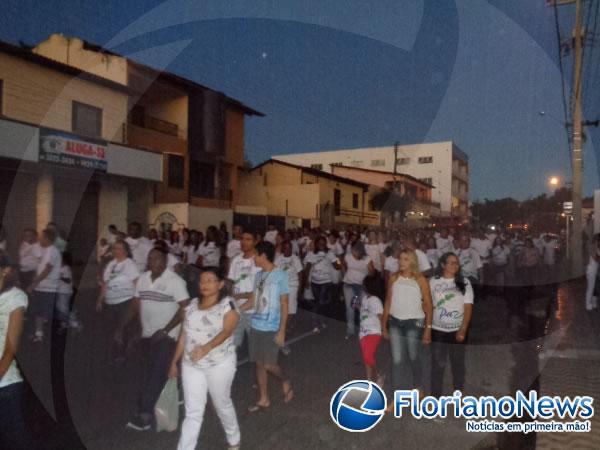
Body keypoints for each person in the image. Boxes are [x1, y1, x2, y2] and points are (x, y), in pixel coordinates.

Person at [169, 269, 241, 450]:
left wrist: (206, 348)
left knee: (221, 403)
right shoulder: (192, 305)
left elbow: (227, 331)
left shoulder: (228, 304)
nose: (205, 284)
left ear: (220, 284)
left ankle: (234, 438)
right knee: (193, 411)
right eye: (202, 281)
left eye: (210, 280)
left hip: (219, 364)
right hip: (191, 365)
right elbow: (184, 335)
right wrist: (174, 362)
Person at [125, 248, 190, 431]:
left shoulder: (175, 281)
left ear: (165, 261)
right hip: (147, 334)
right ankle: (175, 386)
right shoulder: (143, 279)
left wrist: (166, 330)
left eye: (158, 258)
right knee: (151, 370)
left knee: (155, 374)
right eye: (150, 258)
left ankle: (144, 415)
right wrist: (130, 327)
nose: (153, 261)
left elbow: (185, 308)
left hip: (167, 337)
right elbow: (136, 304)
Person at [246, 241, 294, 412]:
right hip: (256, 325)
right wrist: (236, 309)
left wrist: (282, 330)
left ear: (263, 255)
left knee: (268, 365)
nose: (254, 258)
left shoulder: (280, 275)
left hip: (271, 327)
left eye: (256, 254)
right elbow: (253, 300)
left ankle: (285, 380)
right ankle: (264, 398)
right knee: (259, 364)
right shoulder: (258, 276)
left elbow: (285, 303)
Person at [382, 249, 433, 399]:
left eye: (405, 259)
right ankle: (394, 396)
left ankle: (418, 386)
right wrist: (383, 325)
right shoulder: (393, 278)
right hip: (395, 322)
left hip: (414, 323)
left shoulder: (420, 279)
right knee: (397, 360)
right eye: (400, 259)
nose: (401, 262)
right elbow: (388, 302)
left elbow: (429, 305)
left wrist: (428, 330)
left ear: (412, 261)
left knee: (413, 357)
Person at [429, 253, 474, 397]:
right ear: (443, 265)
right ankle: (436, 397)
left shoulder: (464, 282)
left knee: (458, 364)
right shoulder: (433, 282)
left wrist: (463, 329)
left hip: (457, 330)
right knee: (437, 365)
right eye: (451, 262)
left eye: (456, 263)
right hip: (438, 330)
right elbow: (428, 304)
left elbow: (468, 307)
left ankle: (458, 394)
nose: (455, 265)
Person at [0, 260, 32, 449]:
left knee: (15, 441)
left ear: (6, 271)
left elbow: (10, 350)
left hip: (6, 386)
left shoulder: (15, 297)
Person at [97, 240, 140, 364]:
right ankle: (114, 352)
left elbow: (136, 282)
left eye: (119, 248)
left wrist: (136, 302)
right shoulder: (111, 264)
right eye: (115, 248)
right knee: (111, 329)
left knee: (121, 328)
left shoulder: (129, 264)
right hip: (110, 302)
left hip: (125, 301)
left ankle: (121, 355)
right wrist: (100, 300)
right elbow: (105, 283)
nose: (116, 250)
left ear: (126, 250)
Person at [27, 228, 62, 343]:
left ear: (47, 239)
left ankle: (68, 323)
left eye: (41, 237)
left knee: (48, 313)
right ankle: (39, 334)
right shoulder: (45, 250)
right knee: (38, 311)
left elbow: (47, 270)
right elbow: (41, 267)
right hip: (40, 287)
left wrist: (33, 283)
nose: (39, 239)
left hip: (49, 289)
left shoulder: (53, 251)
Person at [228, 230, 261, 347]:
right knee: (232, 344)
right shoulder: (236, 260)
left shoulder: (259, 261)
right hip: (236, 309)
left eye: (248, 239)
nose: (244, 242)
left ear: (256, 241)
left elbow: (259, 291)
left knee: (256, 346)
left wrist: (240, 296)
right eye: (242, 239)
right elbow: (231, 282)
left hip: (253, 310)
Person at [342, 242, 374, 339]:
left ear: (360, 252)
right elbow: (343, 264)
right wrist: (344, 274)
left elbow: (372, 273)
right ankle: (350, 330)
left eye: (355, 252)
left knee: (363, 308)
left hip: (360, 286)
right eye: (353, 251)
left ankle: (365, 329)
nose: (353, 253)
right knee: (350, 308)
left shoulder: (367, 259)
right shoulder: (348, 256)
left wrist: (367, 271)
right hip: (348, 285)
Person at [304, 236, 339, 327]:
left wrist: (338, 261)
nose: (321, 245)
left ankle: (317, 320)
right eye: (319, 243)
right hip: (315, 282)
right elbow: (307, 268)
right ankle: (323, 318)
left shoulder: (330, 253)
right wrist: (306, 280)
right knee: (318, 301)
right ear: (316, 244)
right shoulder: (311, 254)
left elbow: (337, 266)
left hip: (326, 281)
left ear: (325, 244)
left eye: (323, 243)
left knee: (321, 301)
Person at [359, 275, 384, 386]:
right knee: (367, 357)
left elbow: (380, 316)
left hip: (373, 331)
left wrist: (384, 330)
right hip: (363, 331)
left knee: (367, 356)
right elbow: (364, 312)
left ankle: (379, 374)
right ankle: (369, 380)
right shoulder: (365, 298)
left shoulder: (375, 300)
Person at [274, 240, 303, 321]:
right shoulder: (278, 258)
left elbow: (300, 274)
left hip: (293, 285)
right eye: (285, 248)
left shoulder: (295, 258)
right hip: (281, 286)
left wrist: (300, 288)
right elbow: (274, 273)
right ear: (283, 249)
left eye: (289, 248)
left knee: (291, 307)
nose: (287, 250)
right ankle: (283, 324)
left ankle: (289, 325)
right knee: (282, 306)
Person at [56, 252, 81, 333]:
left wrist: (60, 277)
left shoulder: (66, 268)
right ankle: (66, 322)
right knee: (61, 308)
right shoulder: (58, 267)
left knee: (63, 309)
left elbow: (68, 280)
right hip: (60, 291)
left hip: (65, 292)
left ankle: (75, 323)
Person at [585, 234, 600, 311]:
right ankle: (588, 305)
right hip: (591, 271)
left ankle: (592, 304)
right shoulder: (594, 248)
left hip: (592, 271)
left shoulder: (594, 247)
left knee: (593, 288)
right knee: (590, 288)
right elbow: (597, 258)